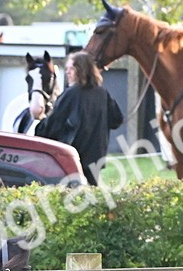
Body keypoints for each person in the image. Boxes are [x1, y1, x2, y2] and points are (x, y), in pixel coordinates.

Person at [36, 51, 124, 187]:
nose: (68, 72)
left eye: (72, 68)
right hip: (96, 158)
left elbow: (51, 127)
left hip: (72, 157)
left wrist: (38, 122)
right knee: (90, 197)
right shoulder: (102, 93)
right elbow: (117, 120)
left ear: (82, 69)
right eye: (67, 69)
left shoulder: (70, 94)